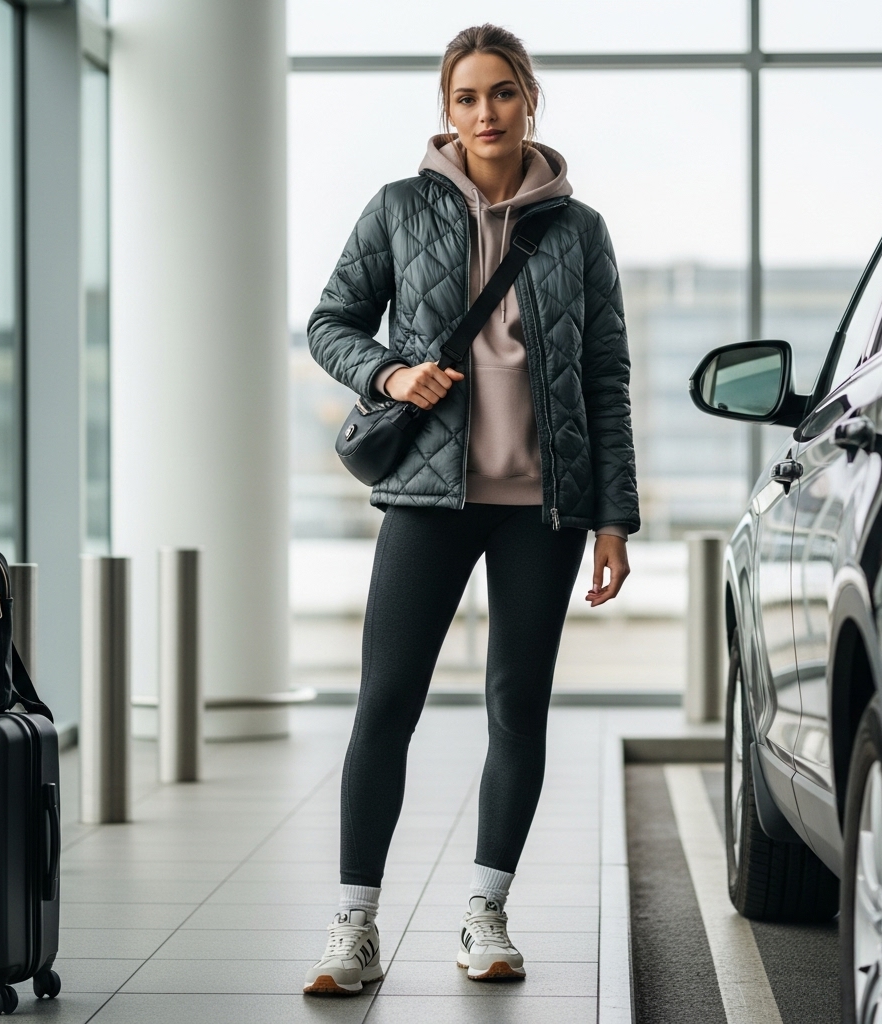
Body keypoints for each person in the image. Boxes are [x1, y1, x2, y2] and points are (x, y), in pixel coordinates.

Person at [303, 23, 639, 996]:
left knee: (516, 707)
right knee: (385, 705)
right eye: (465, 97)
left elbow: (606, 378)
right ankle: (354, 924)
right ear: (445, 110)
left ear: (529, 97)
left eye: (500, 93)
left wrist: (613, 517)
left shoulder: (579, 230)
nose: (484, 113)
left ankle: (486, 912)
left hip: (544, 507)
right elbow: (329, 321)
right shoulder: (399, 208)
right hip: (425, 494)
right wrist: (389, 373)